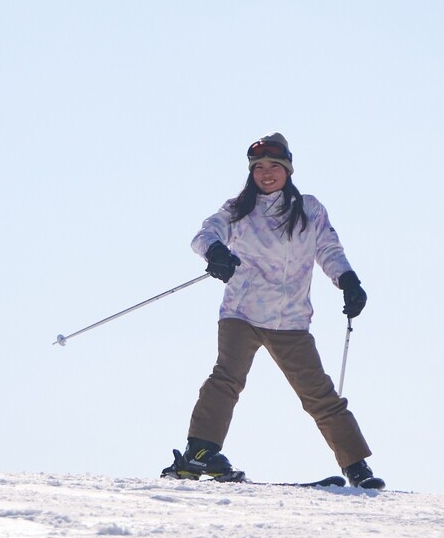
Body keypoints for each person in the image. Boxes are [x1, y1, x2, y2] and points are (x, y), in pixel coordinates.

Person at [163, 133, 383, 488]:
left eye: (274, 167)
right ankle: (200, 451)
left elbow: (328, 249)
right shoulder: (238, 209)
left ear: (288, 170)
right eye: (259, 168)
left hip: (291, 320)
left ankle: (357, 467)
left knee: (319, 394)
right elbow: (205, 234)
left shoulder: (309, 209)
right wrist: (216, 252)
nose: (266, 174)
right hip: (242, 312)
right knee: (227, 377)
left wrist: (348, 280)